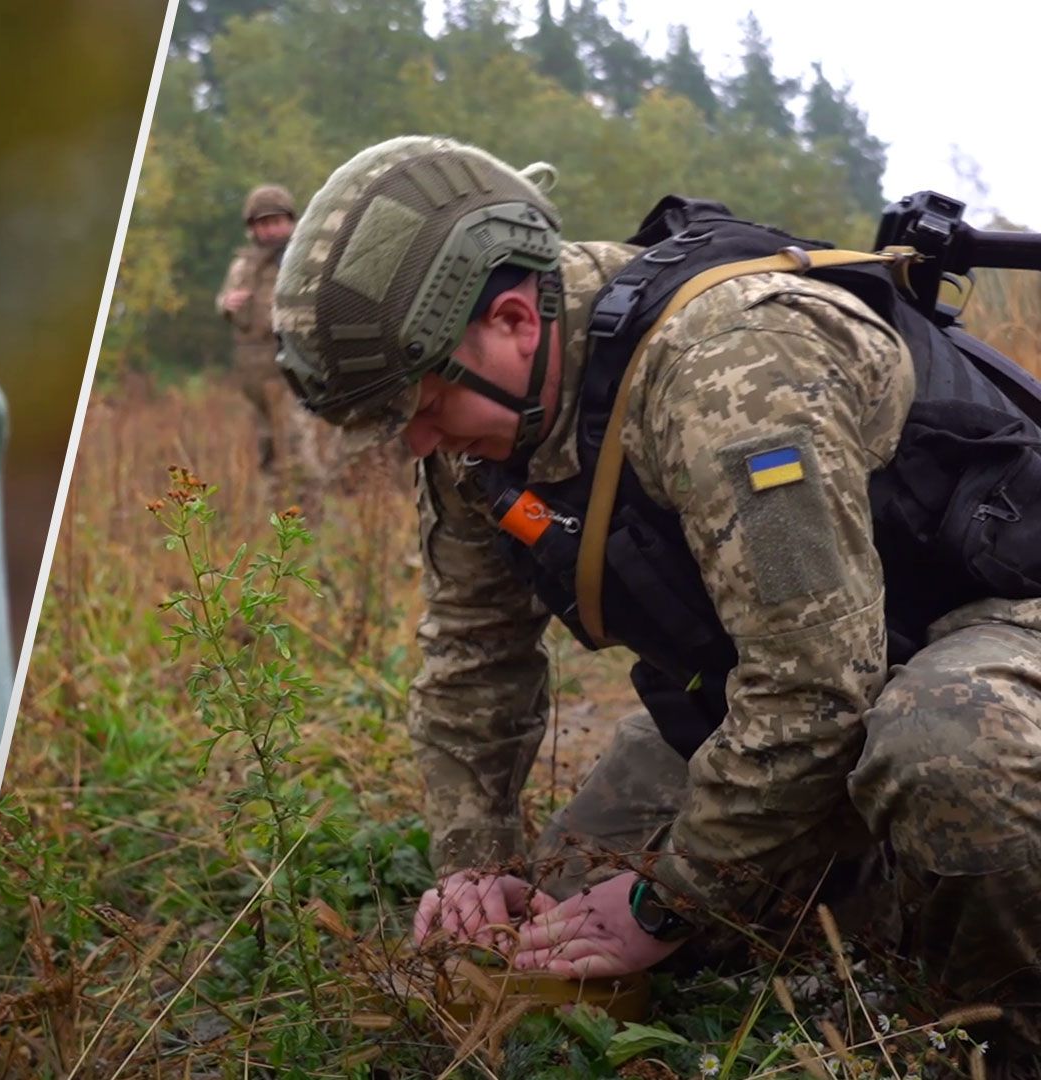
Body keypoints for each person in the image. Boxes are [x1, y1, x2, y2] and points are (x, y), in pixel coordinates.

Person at [272, 134, 1041, 1053]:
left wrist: (670, 898)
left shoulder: (730, 372)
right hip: (786, 688)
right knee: (548, 939)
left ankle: (1006, 1038)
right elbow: (475, 657)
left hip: (993, 627)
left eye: (426, 409)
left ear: (516, 320)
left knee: (945, 748)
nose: (416, 444)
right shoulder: (479, 432)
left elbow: (816, 685)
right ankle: (868, 891)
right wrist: (474, 863)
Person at [219, 184, 330, 493]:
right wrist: (227, 303)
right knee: (267, 446)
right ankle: (279, 514)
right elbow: (224, 300)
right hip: (253, 374)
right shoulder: (242, 266)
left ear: (292, 222)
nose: (272, 230)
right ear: (252, 228)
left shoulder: (304, 261)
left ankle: (311, 516)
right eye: (265, 223)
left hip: (290, 370)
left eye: (279, 221)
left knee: (296, 443)